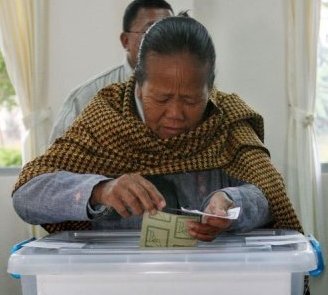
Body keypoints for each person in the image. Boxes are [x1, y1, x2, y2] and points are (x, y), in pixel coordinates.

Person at [12, 16, 302, 242]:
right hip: (114, 280)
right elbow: (28, 195)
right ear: (138, 86)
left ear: (209, 90)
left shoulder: (227, 119)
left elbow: (269, 196)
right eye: (161, 98)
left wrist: (232, 203)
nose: (175, 114)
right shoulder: (106, 117)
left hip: (212, 277)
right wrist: (100, 190)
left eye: (191, 100)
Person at [49, 0, 174, 144]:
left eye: (169, 31)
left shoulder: (193, 93)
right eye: (152, 31)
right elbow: (57, 162)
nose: (164, 40)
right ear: (125, 41)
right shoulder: (85, 100)